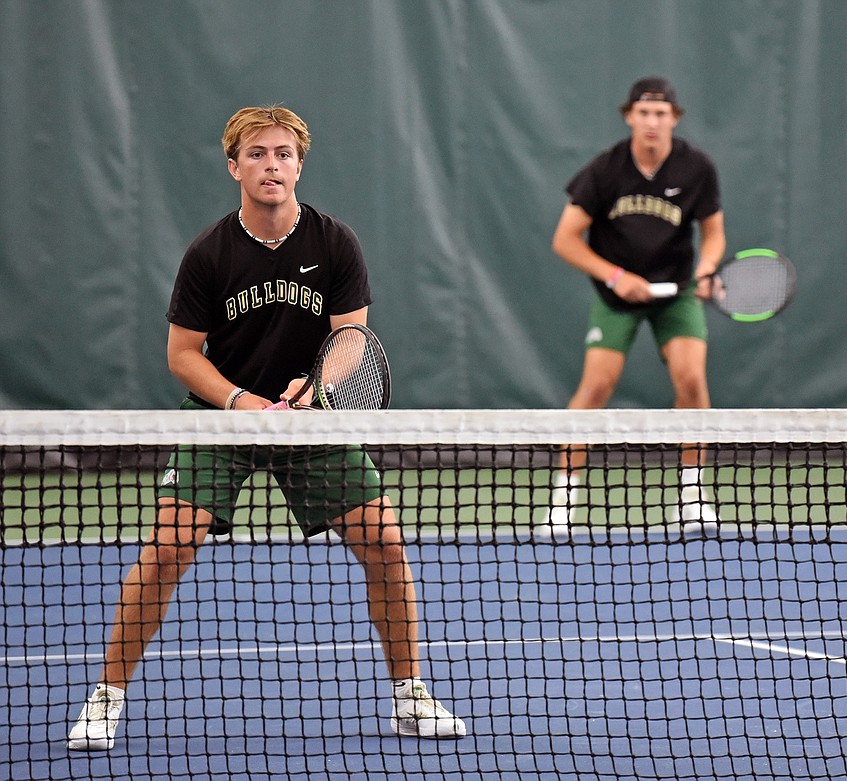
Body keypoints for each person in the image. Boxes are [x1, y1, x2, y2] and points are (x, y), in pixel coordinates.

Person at [67, 105, 466, 750]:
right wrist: (237, 402)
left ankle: (409, 695)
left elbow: (351, 337)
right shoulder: (209, 253)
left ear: (299, 165)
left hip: (309, 419)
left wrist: (320, 387)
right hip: (222, 417)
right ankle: (106, 697)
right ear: (235, 167)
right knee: (169, 546)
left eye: (282, 153)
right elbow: (181, 355)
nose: (270, 164)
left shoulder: (335, 242)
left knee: (386, 545)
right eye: (256, 154)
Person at [536, 77, 726, 539]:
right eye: (643, 113)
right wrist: (617, 277)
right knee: (596, 386)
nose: (652, 122)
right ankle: (562, 503)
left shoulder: (697, 168)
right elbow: (564, 240)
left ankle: (693, 498)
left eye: (661, 114)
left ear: (674, 119)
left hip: (675, 293)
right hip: (614, 296)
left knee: (692, 381)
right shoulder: (605, 171)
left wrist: (706, 269)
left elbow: (714, 232)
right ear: (629, 117)